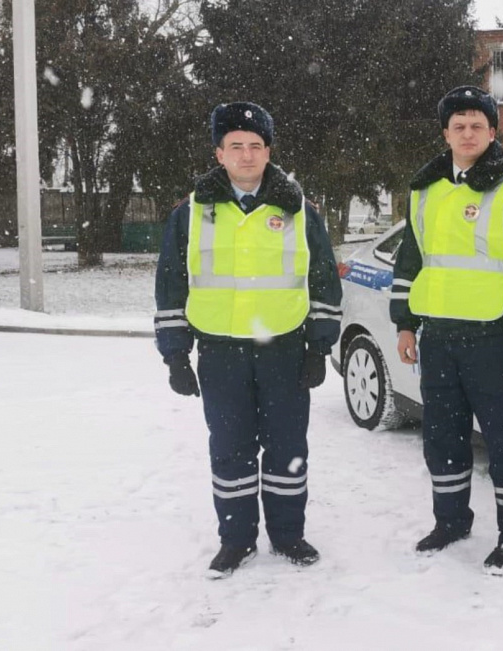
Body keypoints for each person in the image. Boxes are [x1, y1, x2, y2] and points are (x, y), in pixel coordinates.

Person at [154, 102, 342, 579]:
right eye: (235, 146)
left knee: (286, 446)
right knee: (231, 447)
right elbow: (171, 281)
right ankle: (235, 541)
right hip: (220, 350)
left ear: (268, 151)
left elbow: (322, 277)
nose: (246, 154)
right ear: (219, 154)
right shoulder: (192, 211)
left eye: (255, 146)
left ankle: (288, 535)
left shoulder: (297, 207)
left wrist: (320, 347)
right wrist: (176, 354)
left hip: (283, 347)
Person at [390, 86, 503, 575]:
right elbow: (412, 259)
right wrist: (404, 323)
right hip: (439, 338)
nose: (468, 134)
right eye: (458, 126)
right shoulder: (424, 190)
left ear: (493, 132)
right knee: (442, 437)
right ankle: (451, 522)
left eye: (477, 125)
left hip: (496, 338)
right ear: (445, 133)